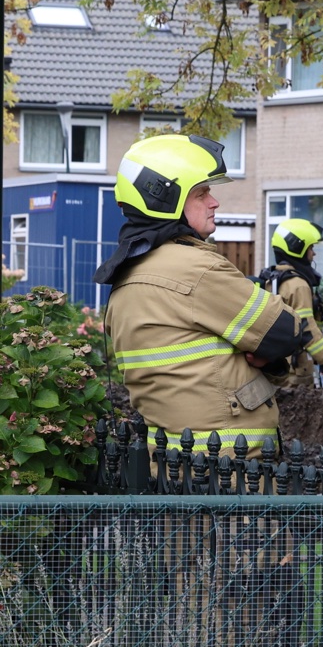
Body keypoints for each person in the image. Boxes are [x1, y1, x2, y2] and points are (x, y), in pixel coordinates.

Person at [96, 133, 310, 456]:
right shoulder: (198, 270)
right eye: (202, 193)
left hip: (168, 469)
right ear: (165, 200)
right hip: (232, 476)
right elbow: (288, 330)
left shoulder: (124, 280)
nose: (215, 202)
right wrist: (262, 356)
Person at [258, 218, 323, 382]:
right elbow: (306, 326)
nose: (313, 253)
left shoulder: (271, 280)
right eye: (311, 247)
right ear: (297, 248)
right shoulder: (298, 285)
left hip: (274, 366)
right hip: (295, 372)